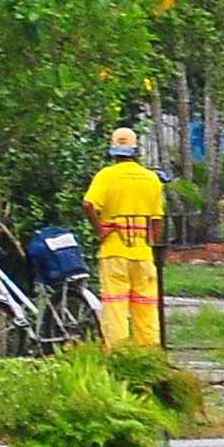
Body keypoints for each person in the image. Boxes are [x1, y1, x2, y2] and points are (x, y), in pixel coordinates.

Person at [82, 128, 165, 348]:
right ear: (135, 150)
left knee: (115, 306)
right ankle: (149, 354)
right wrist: (154, 249)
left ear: (113, 151)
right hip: (142, 253)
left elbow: (89, 204)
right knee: (146, 307)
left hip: (114, 251)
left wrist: (100, 230)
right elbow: (156, 221)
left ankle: (118, 355)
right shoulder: (151, 179)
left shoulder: (106, 176)